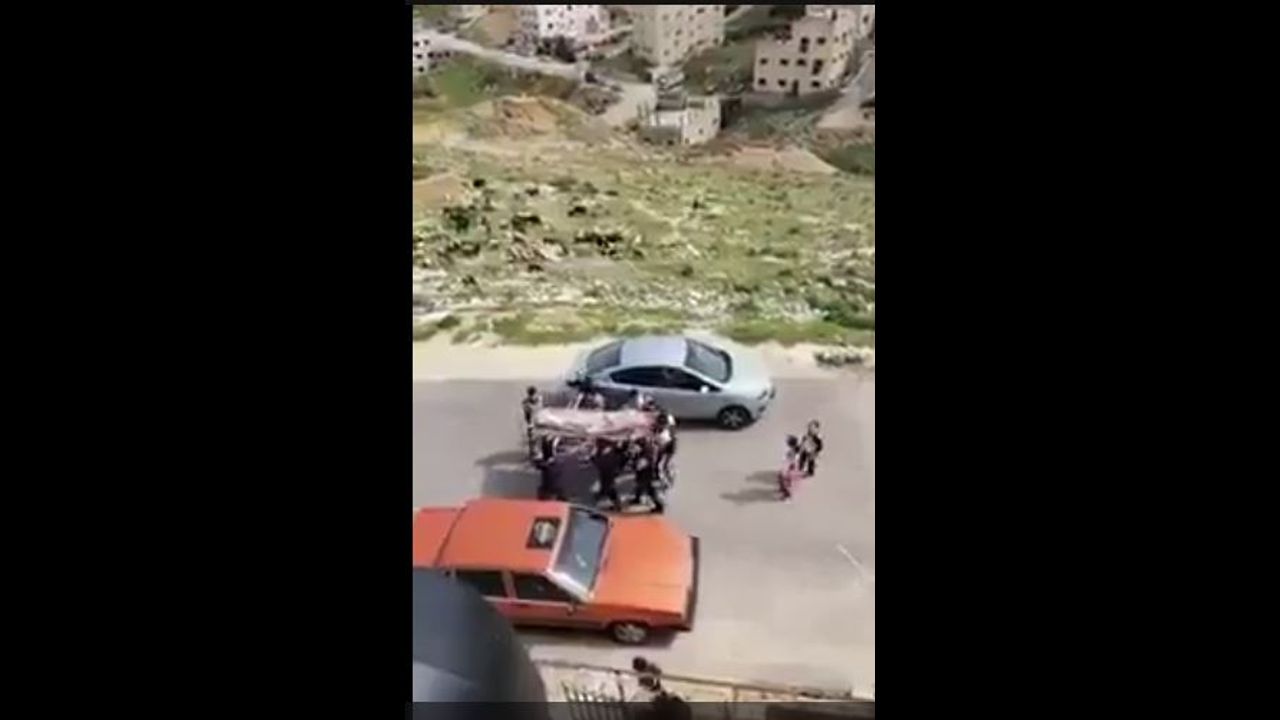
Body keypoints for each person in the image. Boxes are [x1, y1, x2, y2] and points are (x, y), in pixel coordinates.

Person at [630, 439, 665, 513]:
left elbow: (641, 465)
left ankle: (659, 505)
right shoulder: (646, 451)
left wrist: (635, 465)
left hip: (646, 474)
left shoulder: (646, 453)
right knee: (643, 487)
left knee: (649, 490)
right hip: (645, 473)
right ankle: (638, 499)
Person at [591, 437, 624, 511]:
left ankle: (616, 504)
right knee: (606, 487)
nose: (596, 444)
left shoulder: (609, 451)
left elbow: (602, 461)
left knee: (608, 487)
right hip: (604, 472)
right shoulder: (601, 450)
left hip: (609, 472)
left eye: (598, 442)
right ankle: (616, 504)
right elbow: (594, 459)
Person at [654, 412, 677, 487]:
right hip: (663, 447)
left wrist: (658, 447)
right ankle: (659, 476)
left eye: (661, 424)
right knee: (657, 462)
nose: (659, 425)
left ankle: (670, 480)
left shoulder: (665, 434)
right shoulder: (657, 430)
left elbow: (663, 445)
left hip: (669, 448)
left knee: (665, 466)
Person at [779, 434, 801, 500]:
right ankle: (784, 490)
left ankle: (787, 495)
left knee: (785, 480)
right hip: (790, 466)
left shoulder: (792, 451)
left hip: (790, 467)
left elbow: (791, 460)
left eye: (787, 441)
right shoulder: (794, 450)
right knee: (782, 478)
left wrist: (786, 468)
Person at [521, 386, 542, 453]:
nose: (533, 396)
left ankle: (537, 450)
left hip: (539, 421)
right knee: (532, 437)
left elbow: (539, 408)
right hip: (531, 422)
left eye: (534, 394)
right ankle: (532, 451)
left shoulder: (538, 400)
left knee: (538, 437)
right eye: (532, 395)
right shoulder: (525, 402)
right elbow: (527, 412)